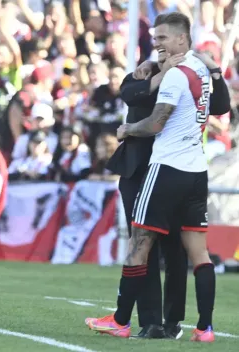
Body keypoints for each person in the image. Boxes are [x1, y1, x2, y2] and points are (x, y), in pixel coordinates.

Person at [85, 12, 216, 343]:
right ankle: (204, 329)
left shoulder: (176, 75)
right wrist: (154, 72)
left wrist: (128, 129)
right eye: (154, 39)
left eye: (162, 38)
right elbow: (135, 93)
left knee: (139, 244)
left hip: (165, 169)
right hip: (196, 171)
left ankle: (121, 320)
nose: (155, 43)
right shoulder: (199, 70)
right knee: (198, 252)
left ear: (182, 39)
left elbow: (156, 122)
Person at [106, 47, 230, 338]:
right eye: (159, 53)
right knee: (143, 245)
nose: (165, 57)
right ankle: (150, 321)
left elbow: (220, 106)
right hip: (139, 173)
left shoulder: (189, 80)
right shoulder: (142, 77)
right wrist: (157, 70)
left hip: (172, 171)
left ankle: (172, 321)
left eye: (169, 52)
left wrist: (213, 71)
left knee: (175, 251)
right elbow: (129, 95)